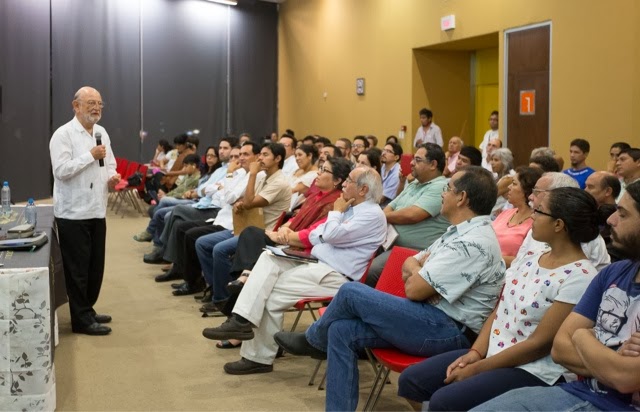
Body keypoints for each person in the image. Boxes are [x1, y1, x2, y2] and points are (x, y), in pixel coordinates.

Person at [275, 166, 506, 411]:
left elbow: (414, 290)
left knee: (351, 292)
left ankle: (313, 339)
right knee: (341, 330)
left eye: (447, 189)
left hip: (448, 330)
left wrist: (419, 274)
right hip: (430, 317)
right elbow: (411, 261)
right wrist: (420, 271)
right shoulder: (459, 231)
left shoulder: (472, 242)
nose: (442, 193)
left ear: (462, 198)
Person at [399, 187, 600, 411]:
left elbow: (538, 344)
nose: (532, 215)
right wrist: (475, 353)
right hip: (494, 351)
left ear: (558, 225)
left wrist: (479, 368)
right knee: (412, 380)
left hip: (534, 368)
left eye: (539, 211)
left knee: (444, 401)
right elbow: (499, 311)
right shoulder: (532, 258)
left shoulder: (580, 277)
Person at [471, 181, 640, 412]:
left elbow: (625, 377)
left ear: (559, 224)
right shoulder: (613, 273)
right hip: (581, 392)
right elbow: (560, 349)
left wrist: (582, 337)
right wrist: (606, 354)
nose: (610, 219)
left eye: (622, 213)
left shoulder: (582, 273)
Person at [202, 166, 387, 376]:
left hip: (337, 276)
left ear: (363, 190)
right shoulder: (352, 208)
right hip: (318, 263)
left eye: (349, 181)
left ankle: (257, 357)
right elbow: (318, 233)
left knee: (269, 292)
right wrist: (329, 227)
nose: (344, 183)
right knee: (268, 257)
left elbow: (331, 235)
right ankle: (241, 320)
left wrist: (335, 213)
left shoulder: (371, 215)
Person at [50, 86, 121, 336]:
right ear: (75, 106)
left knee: (94, 266)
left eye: (100, 103)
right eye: (90, 103)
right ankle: (81, 319)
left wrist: (112, 177)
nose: (96, 108)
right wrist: (90, 156)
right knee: (77, 269)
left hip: (97, 209)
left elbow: (110, 163)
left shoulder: (101, 132)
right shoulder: (63, 135)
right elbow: (61, 171)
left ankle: (87, 309)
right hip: (73, 213)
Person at [365, 143, 450, 287]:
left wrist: (384, 217)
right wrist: (385, 215)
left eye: (418, 160)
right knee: (356, 260)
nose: (411, 163)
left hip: (415, 251)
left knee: (371, 271)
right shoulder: (414, 184)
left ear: (433, 164)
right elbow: (389, 207)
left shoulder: (440, 186)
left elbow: (412, 215)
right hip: (390, 243)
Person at [511, 172, 611, 272]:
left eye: (537, 192)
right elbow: (516, 266)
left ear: (560, 197)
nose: (530, 197)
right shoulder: (538, 228)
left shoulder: (582, 235)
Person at [491, 166, 542, 267]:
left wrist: (489, 259)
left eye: (514, 184)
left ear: (526, 190)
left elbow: (527, 260)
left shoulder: (536, 221)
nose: (509, 187)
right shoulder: (505, 213)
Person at [289, 144, 319, 210]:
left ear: (310, 156)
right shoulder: (297, 171)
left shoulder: (314, 174)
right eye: (295, 156)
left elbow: (293, 191)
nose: (297, 158)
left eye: (300, 155)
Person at [489, 147, 515, 217]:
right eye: (492, 160)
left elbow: (488, 196)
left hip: (497, 216)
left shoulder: (508, 179)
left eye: (496, 160)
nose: (492, 163)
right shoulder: (496, 177)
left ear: (505, 162)